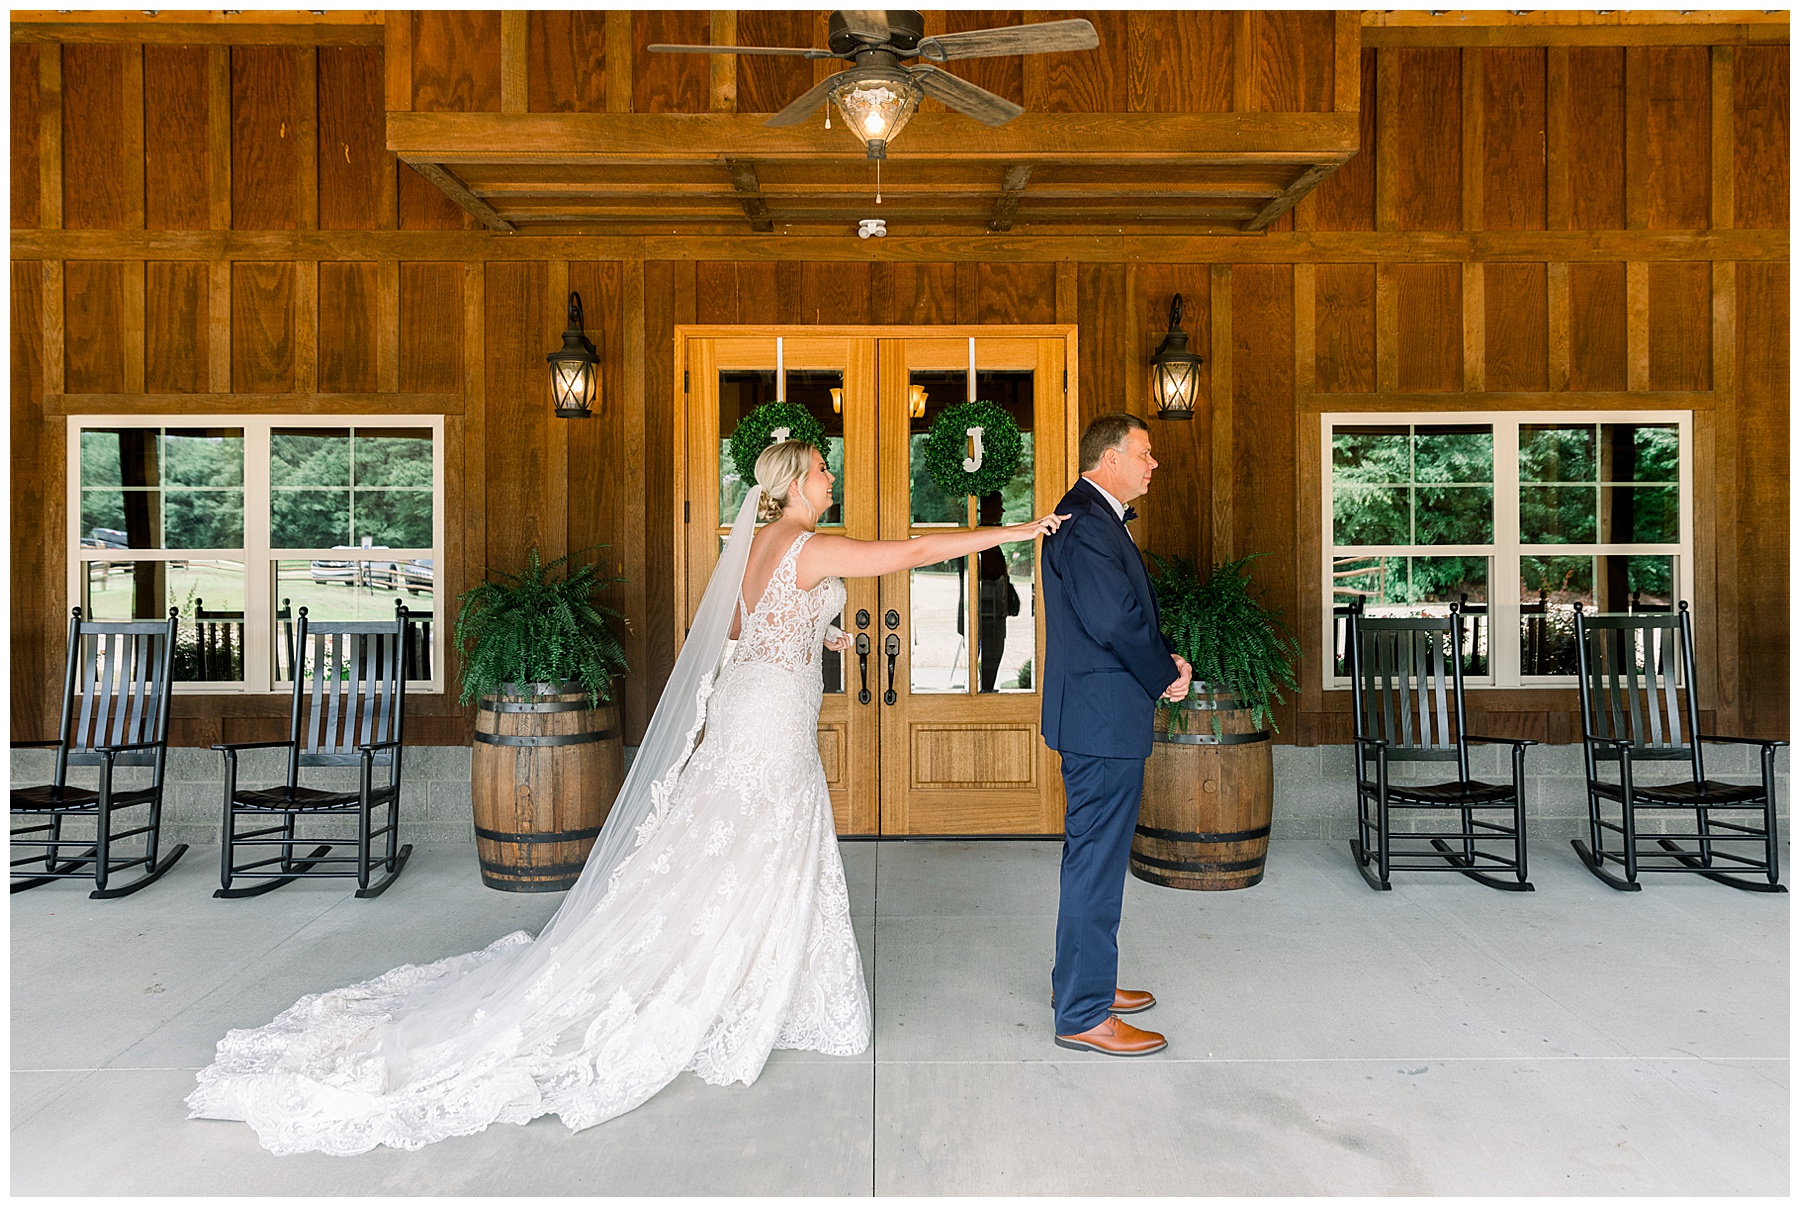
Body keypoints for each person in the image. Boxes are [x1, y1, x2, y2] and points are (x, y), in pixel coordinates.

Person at [185, 441, 1065, 1155]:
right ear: (797, 482)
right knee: (761, 840)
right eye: (824, 469)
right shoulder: (813, 543)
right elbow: (912, 553)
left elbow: (742, 629)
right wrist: (1018, 529)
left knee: (731, 844)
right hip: (770, 727)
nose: (833, 477)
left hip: (751, 711)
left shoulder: (754, 546)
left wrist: (821, 631)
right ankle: (742, 986)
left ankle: (749, 971)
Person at [1040, 413, 1191, 1057]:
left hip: (1102, 716)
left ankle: (1082, 982)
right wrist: (1164, 672)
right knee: (1097, 865)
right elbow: (1113, 619)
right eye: (1144, 453)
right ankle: (1082, 1012)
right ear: (1108, 458)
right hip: (1102, 722)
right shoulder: (1085, 525)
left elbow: (1118, 616)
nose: (1153, 464)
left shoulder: (1093, 518)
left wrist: (1162, 662)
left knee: (1092, 860)